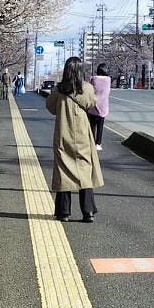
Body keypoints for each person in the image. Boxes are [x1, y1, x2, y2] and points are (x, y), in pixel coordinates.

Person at [45, 56, 103, 222]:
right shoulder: (87, 88)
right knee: (85, 172)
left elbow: (50, 107)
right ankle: (88, 211)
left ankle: (63, 212)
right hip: (83, 136)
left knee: (63, 172)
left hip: (64, 135)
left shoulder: (59, 89)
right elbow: (92, 104)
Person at [87, 63, 111, 151]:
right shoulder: (108, 79)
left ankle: (92, 142)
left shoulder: (93, 79)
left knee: (92, 125)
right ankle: (98, 143)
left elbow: (90, 90)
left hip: (93, 105)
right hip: (103, 106)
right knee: (100, 126)